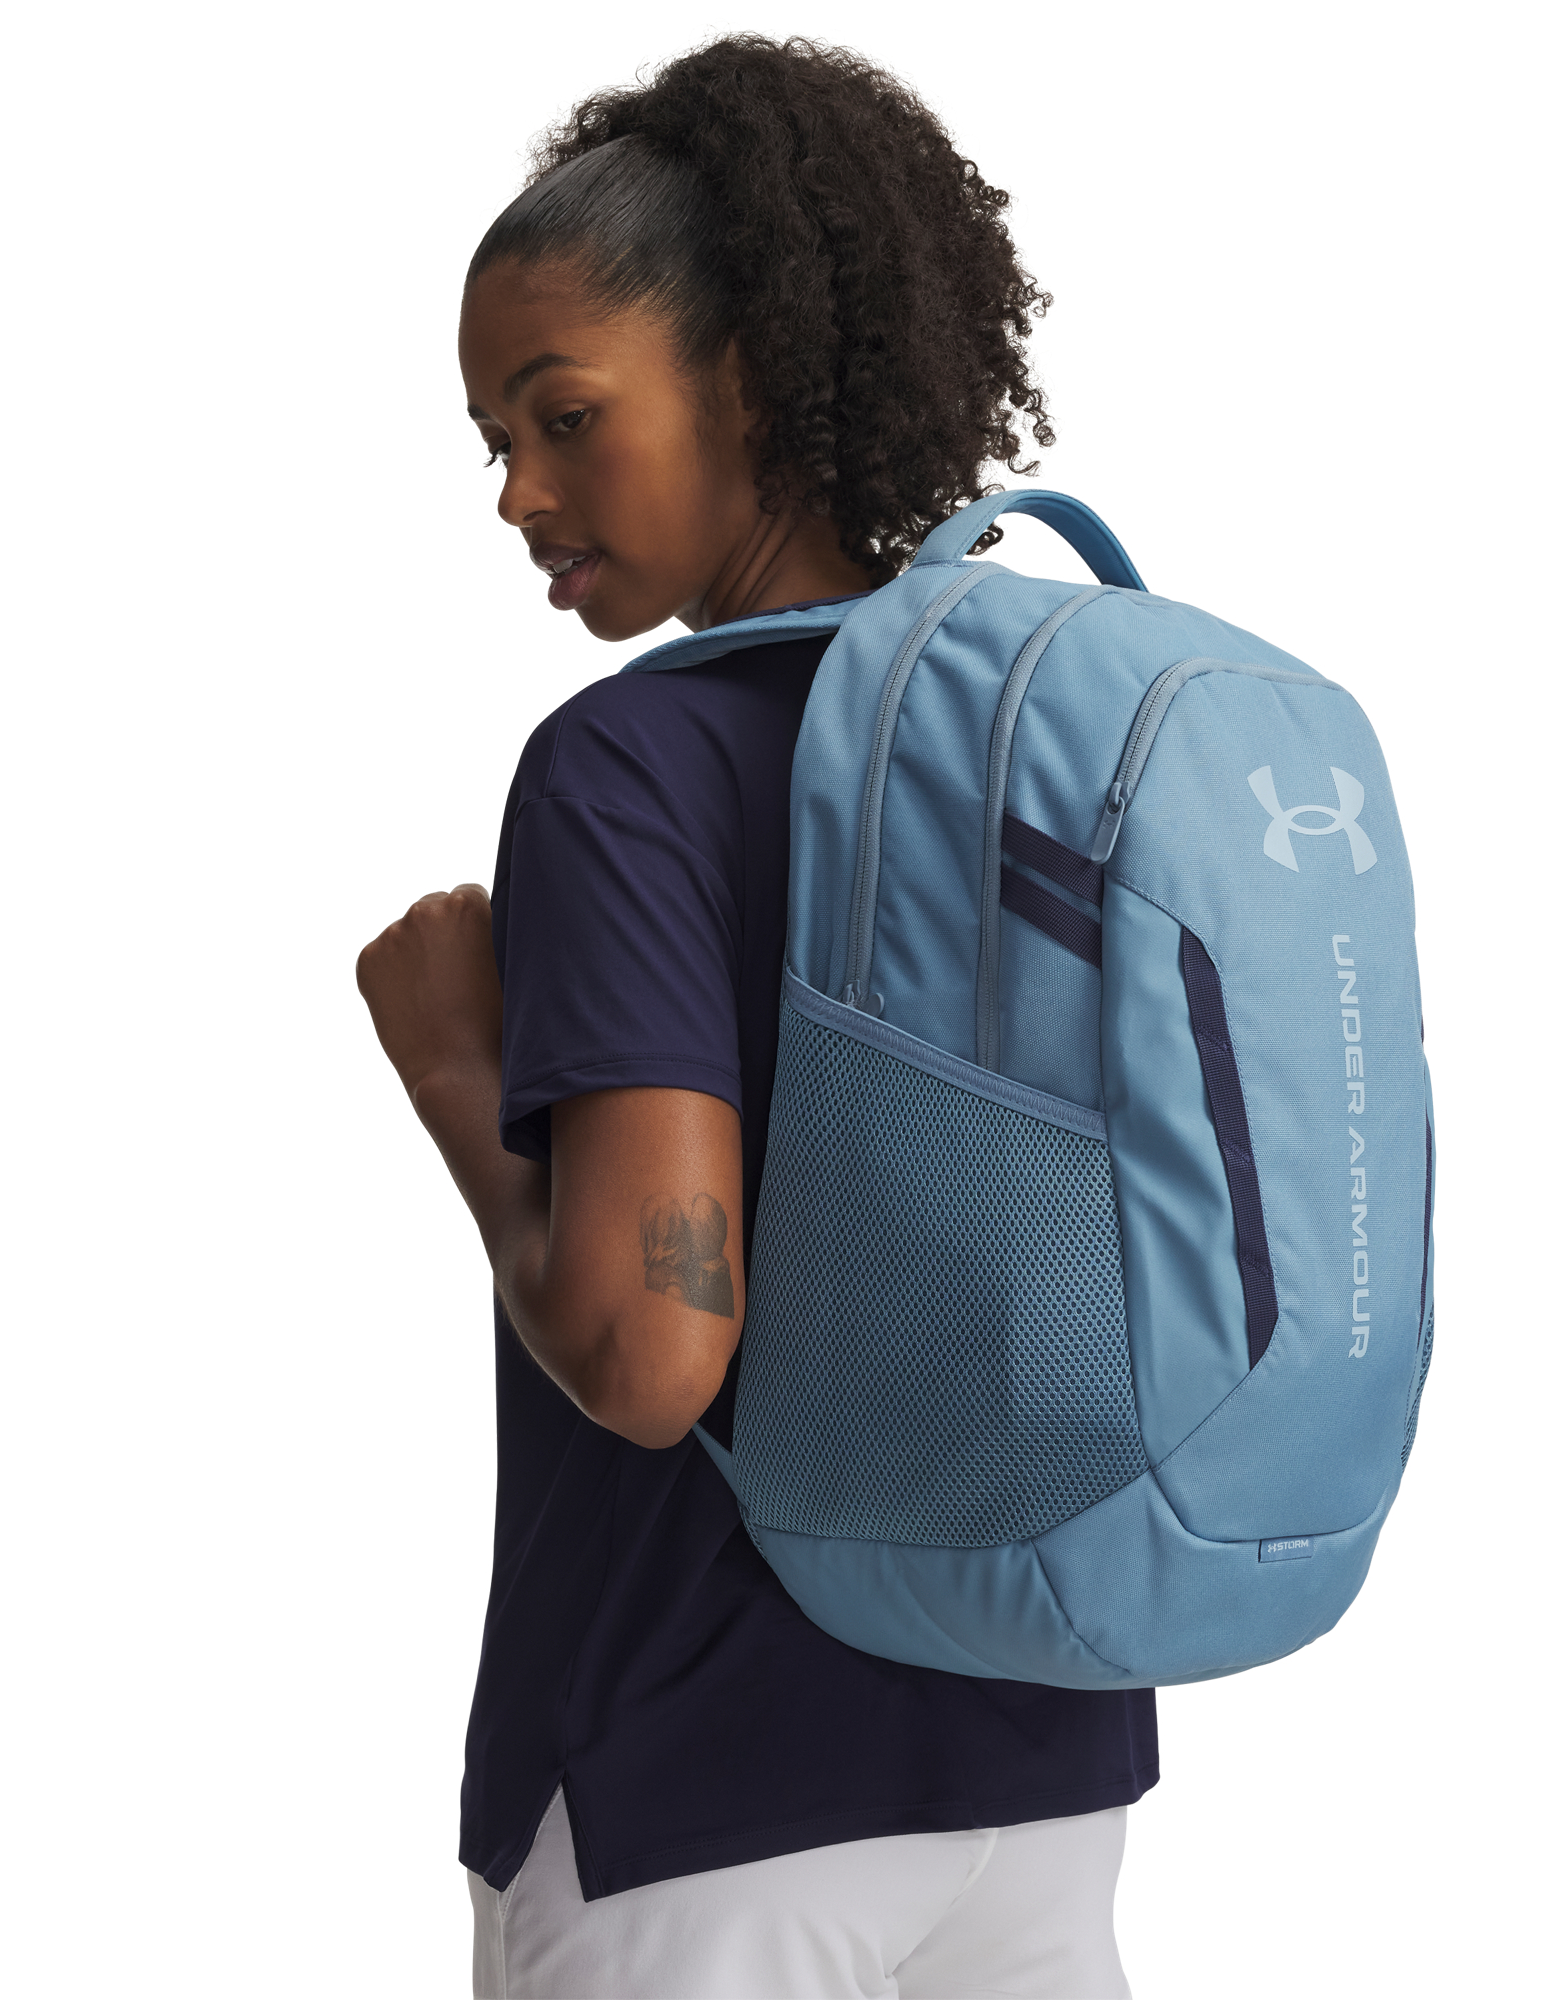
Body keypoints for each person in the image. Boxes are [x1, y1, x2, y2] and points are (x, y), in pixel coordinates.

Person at [357, 36, 1156, 1999]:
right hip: (1040, 1756)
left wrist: (457, 1072)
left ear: (751, 376)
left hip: (699, 1800)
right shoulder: (1066, 711)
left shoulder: (633, 768)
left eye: (564, 416)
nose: (517, 492)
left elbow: (652, 1349)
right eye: (491, 439)